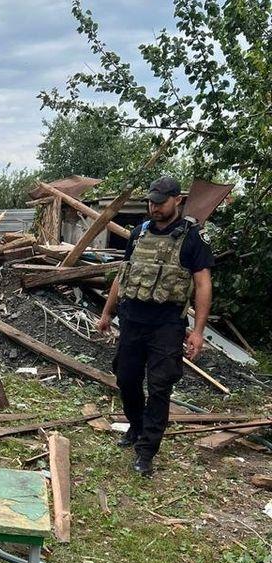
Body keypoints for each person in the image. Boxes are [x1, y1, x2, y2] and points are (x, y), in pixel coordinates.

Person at [98, 176, 214, 476]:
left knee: (160, 387)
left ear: (177, 200)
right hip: (132, 321)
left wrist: (198, 331)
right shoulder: (139, 234)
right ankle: (136, 428)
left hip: (166, 326)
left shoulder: (192, 238)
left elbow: (202, 285)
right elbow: (122, 276)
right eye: (151, 202)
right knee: (126, 379)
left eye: (160, 202)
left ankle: (147, 451)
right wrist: (107, 312)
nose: (154, 207)